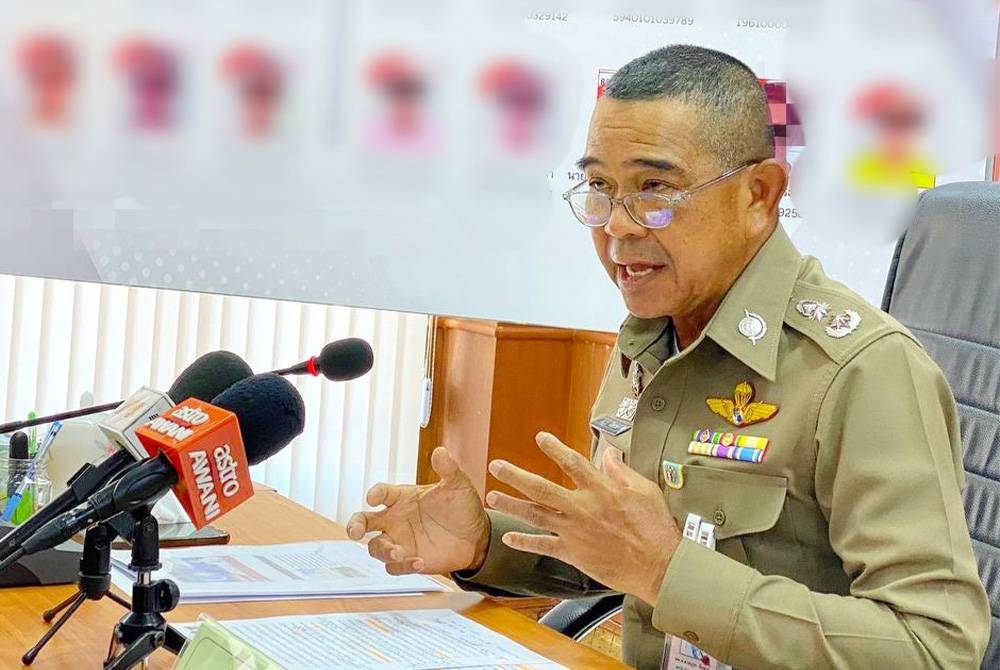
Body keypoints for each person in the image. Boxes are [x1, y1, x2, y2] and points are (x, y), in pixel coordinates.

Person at [347, 45, 990, 669]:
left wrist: (665, 571)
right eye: (599, 187)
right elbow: (624, 551)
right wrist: (484, 543)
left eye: (655, 189)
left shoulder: (860, 371)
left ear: (759, 195)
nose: (618, 225)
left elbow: (934, 648)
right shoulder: (655, 334)